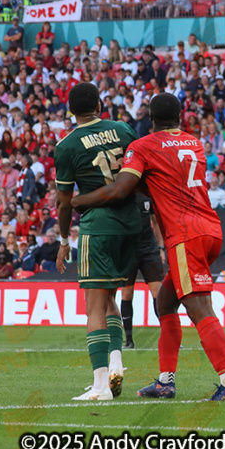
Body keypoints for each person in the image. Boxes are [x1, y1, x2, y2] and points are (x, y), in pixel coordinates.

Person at [72, 93, 225, 401]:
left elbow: (122, 187)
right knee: (165, 304)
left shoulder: (144, 146)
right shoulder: (194, 143)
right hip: (210, 228)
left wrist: (79, 200)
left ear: (149, 118)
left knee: (199, 309)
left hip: (185, 235)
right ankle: (165, 382)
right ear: (180, 116)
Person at [53, 82, 138, 401]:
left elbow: (64, 201)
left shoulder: (67, 145)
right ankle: (116, 364)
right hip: (130, 223)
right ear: (100, 104)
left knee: (93, 306)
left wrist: (64, 239)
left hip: (98, 226)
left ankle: (101, 385)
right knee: (110, 298)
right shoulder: (123, 129)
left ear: (70, 111)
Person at [120, 194, 166, 349]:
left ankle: (168, 336)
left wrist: (160, 248)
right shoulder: (121, 195)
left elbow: (156, 223)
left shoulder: (148, 195)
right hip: (127, 251)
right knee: (127, 293)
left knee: (158, 292)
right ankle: (129, 340)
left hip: (149, 249)